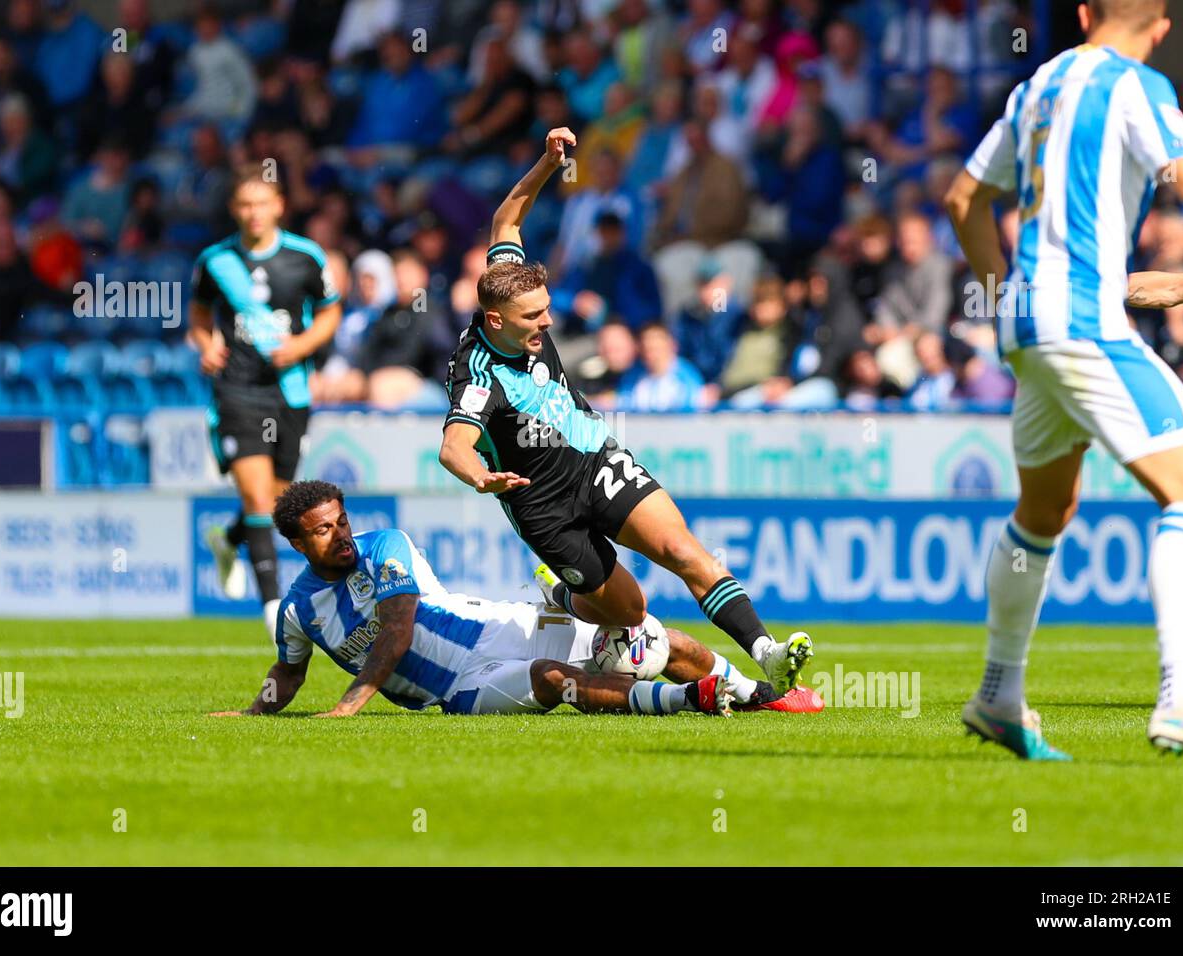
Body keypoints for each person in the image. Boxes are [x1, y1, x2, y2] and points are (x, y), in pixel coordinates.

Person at [437, 129, 815, 697]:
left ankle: (768, 652)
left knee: (682, 549)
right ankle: (562, 593)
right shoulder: (477, 377)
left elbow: (507, 220)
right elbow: (453, 446)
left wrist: (546, 163)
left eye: (546, 309)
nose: (546, 322)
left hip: (595, 459)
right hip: (543, 505)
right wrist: (481, 476)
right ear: (495, 321)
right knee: (630, 614)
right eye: (533, 316)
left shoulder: (507, 284)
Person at [945, 0, 1183, 757]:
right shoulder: (1135, 84)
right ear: (1160, 27)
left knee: (1044, 512)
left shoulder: (1034, 87)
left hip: (1028, 325)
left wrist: (1005, 293)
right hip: (1084, 319)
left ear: (1084, 11)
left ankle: (1000, 694)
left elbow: (963, 199)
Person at [209, 481, 824, 718]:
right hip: (459, 691)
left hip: (498, 628)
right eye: (323, 531)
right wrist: (256, 712)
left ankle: (761, 693)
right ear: (295, 543)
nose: (340, 535)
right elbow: (288, 672)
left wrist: (348, 707)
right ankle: (698, 699)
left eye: (341, 521)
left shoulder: (383, 546)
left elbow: (396, 631)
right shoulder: (298, 610)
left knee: (661, 641)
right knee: (553, 679)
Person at [189, 165, 342, 637]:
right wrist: (205, 341)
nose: (253, 212)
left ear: (279, 206)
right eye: (244, 204)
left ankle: (230, 539)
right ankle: (273, 603)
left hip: (289, 390)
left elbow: (330, 311)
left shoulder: (305, 256)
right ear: (234, 209)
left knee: (276, 501)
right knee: (256, 494)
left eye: (262, 202)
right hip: (237, 390)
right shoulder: (215, 260)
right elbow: (198, 311)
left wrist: (301, 346)